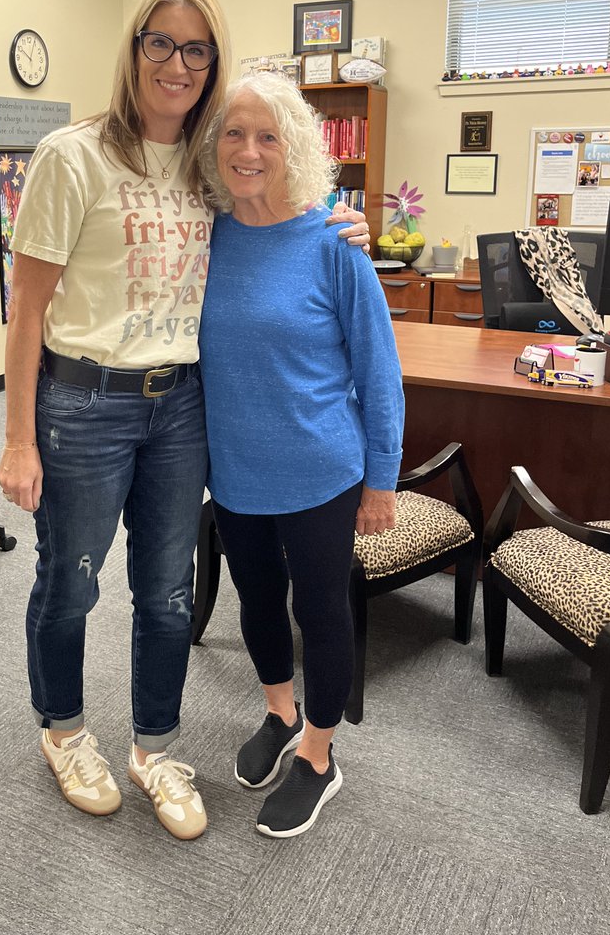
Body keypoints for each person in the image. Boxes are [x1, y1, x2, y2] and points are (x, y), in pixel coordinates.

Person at [0, 0, 369, 841]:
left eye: (196, 48)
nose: (177, 62)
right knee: (72, 584)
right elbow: (25, 309)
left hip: (181, 407)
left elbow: (271, 201)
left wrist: (336, 221)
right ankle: (64, 733)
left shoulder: (208, 161)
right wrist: (18, 438)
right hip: (83, 403)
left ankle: (156, 747)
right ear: (134, 51)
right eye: (160, 43)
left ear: (213, 62)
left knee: (167, 595)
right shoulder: (71, 155)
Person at [196, 71, 404, 839]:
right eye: (233, 134)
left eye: (268, 136)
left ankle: (320, 756)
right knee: (255, 603)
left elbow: (379, 371)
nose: (248, 152)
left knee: (319, 610)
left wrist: (381, 480)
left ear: (296, 148)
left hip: (321, 471)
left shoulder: (333, 241)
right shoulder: (207, 233)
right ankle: (280, 714)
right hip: (236, 471)